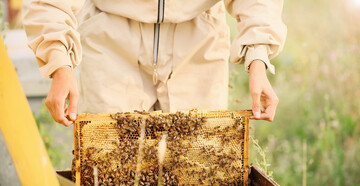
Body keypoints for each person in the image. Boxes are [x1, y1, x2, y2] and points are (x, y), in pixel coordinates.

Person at [23, 0, 287, 127]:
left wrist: (258, 56)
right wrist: (59, 62)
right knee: (111, 175)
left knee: (198, 171)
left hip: (198, 39)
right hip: (111, 40)